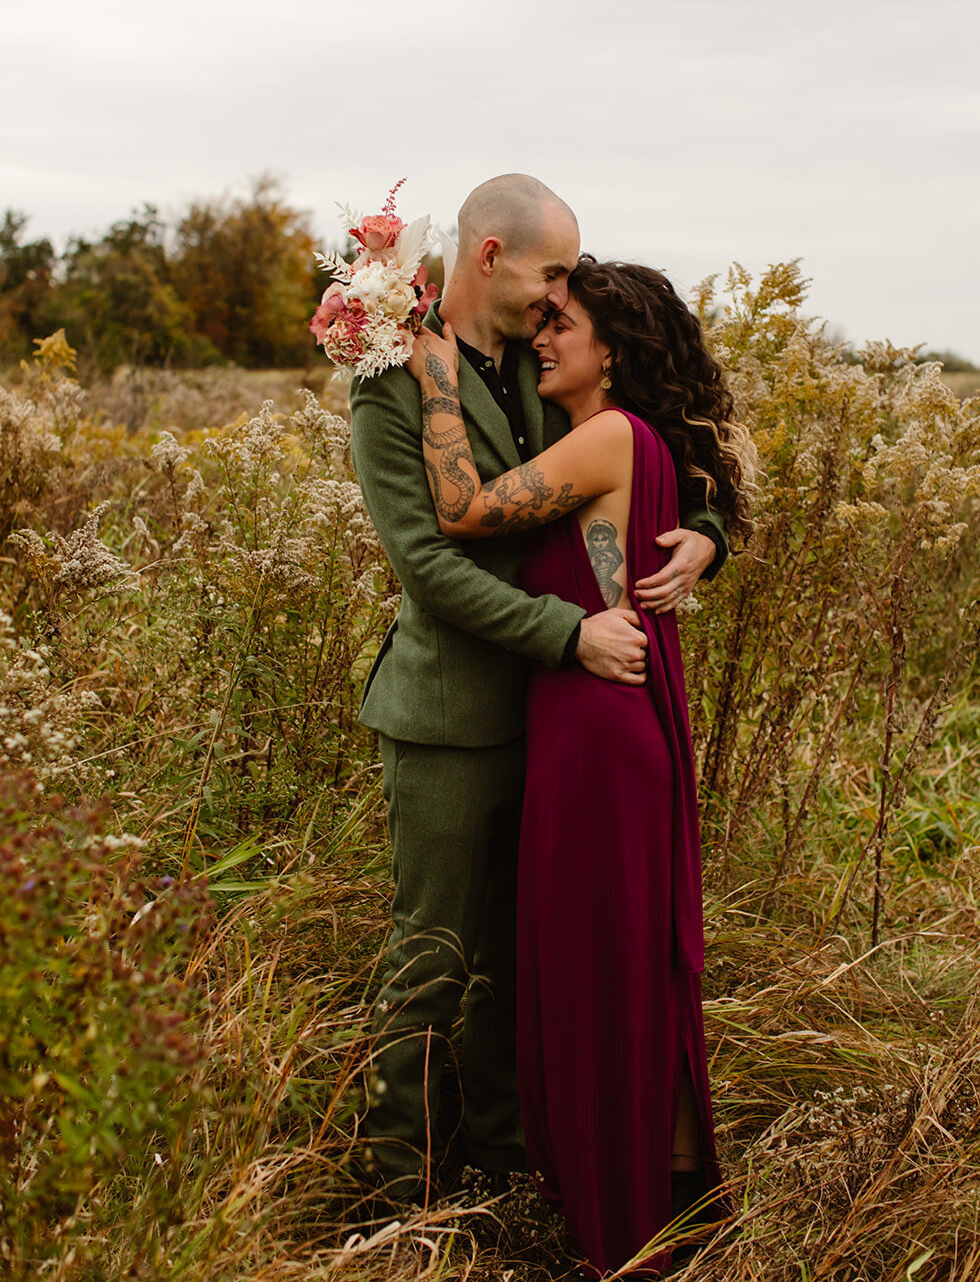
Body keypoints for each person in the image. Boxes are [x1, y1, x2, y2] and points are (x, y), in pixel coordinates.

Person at [348, 175, 728, 1204]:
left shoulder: (538, 364)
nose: (558, 301)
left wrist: (707, 534)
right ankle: (404, 1188)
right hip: (450, 717)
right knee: (432, 958)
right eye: (550, 275)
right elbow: (431, 563)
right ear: (488, 258)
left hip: (558, 717)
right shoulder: (388, 380)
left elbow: (653, 442)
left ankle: (508, 1162)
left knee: (520, 968)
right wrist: (568, 631)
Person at [405, 256, 753, 1277]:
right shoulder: (625, 440)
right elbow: (686, 500)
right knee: (613, 965)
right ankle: (661, 1194)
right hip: (594, 725)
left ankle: (630, 1217)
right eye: (541, 318)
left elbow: (461, 512)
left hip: (598, 734)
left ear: (613, 350)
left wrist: (430, 376)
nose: (541, 337)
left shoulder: (606, 433)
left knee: (604, 972)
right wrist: (707, 530)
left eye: (562, 325)